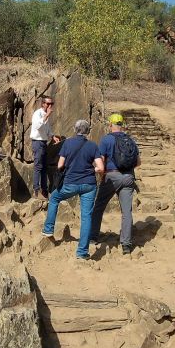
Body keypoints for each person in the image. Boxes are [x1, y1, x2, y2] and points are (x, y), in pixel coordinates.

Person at [41, 119, 105, 260]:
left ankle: (48, 229)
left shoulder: (68, 143)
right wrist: (91, 169)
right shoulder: (93, 146)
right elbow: (101, 168)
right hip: (89, 184)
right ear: (88, 131)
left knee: (54, 198)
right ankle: (82, 253)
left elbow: (60, 165)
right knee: (86, 217)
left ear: (75, 130)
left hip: (70, 183)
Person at [90, 113, 141, 255]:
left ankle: (93, 237)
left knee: (98, 207)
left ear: (110, 125)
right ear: (122, 124)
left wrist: (102, 176)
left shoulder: (107, 140)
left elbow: (101, 161)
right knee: (126, 212)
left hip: (111, 176)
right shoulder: (130, 140)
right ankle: (126, 245)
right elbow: (138, 162)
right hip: (129, 177)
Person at [30, 96, 60, 199]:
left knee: (44, 167)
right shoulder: (37, 114)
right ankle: (36, 191)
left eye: (52, 104)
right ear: (43, 104)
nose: (50, 106)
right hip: (37, 142)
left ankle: (44, 190)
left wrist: (52, 136)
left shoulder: (45, 115)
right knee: (38, 166)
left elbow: (47, 128)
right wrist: (47, 115)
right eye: (48, 104)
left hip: (43, 142)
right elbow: (37, 126)